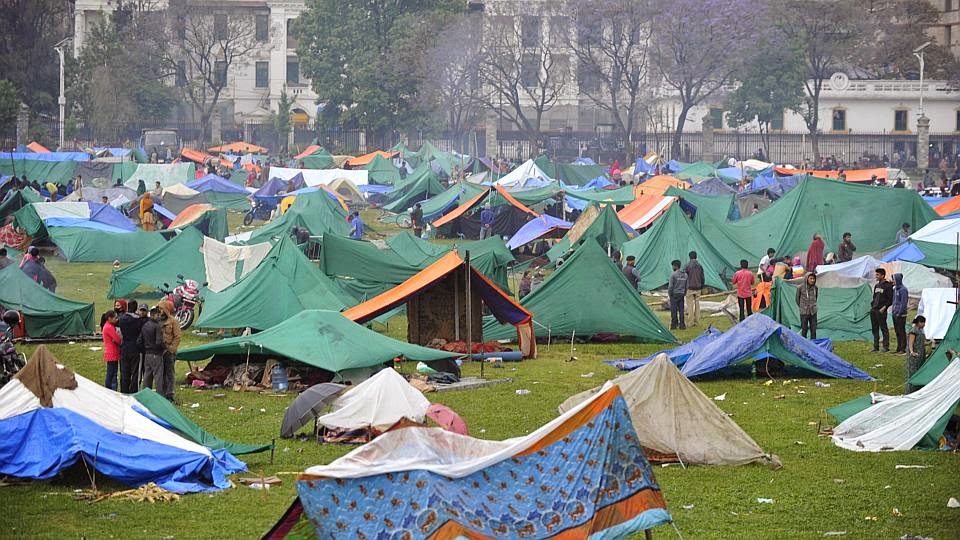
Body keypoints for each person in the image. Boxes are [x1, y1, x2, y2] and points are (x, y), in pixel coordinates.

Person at [117, 299, 145, 394]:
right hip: (135, 348)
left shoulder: (121, 319)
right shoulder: (139, 320)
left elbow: (119, 333)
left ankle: (124, 392)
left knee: (125, 371)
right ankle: (133, 392)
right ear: (136, 308)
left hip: (124, 346)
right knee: (136, 372)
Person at [157, 300, 181, 401]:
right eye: (159, 308)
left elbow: (177, 336)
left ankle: (170, 393)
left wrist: (171, 349)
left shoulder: (173, 321)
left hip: (169, 352)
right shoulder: (156, 320)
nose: (160, 310)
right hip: (159, 351)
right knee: (160, 373)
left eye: (162, 308)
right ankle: (162, 392)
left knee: (170, 373)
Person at [139, 306, 165, 393]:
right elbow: (159, 342)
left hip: (147, 354)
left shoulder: (145, 325)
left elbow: (139, 341)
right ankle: (159, 395)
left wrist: (144, 350)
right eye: (158, 315)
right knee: (158, 376)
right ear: (153, 315)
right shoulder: (157, 326)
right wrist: (164, 348)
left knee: (147, 375)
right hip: (156, 354)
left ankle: (146, 393)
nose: (159, 317)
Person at [869, 268, 893, 352]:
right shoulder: (876, 285)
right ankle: (876, 347)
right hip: (874, 310)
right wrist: (872, 306)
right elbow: (874, 297)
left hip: (881, 311)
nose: (876, 276)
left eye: (877, 275)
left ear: (883, 276)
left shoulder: (888, 286)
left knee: (883, 328)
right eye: (876, 274)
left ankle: (886, 347)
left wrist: (884, 307)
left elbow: (890, 300)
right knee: (875, 329)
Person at [906, 316, 927, 393]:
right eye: (922, 322)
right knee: (913, 372)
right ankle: (911, 390)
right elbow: (910, 343)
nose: (924, 324)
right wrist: (912, 352)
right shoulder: (913, 331)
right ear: (918, 322)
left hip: (921, 355)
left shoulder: (921, 331)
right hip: (914, 356)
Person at [101, 310, 121, 391]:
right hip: (112, 353)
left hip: (111, 353)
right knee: (112, 374)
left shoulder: (108, 325)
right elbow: (118, 340)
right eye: (115, 318)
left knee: (111, 373)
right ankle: (110, 390)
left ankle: (110, 389)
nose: (117, 319)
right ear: (109, 318)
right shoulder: (109, 327)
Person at [684, 251, 704, 327]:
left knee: (690, 306)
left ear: (689, 257)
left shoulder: (687, 266)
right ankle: (698, 322)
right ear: (696, 257)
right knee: (697, 305)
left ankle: (690, 322)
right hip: (698, 287)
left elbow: (685, 277)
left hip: (690, 288)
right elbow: (702, 277)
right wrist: (702, 285)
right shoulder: (700, 266)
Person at [796, 272, 818, 339]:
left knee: (813, 330)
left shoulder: (815, 288)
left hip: (813, 312)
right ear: (806, 279)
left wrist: (813, 306)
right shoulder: (800, 288)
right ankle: (804, 345)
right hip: (804, 312)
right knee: (804, 330)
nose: (812, 280)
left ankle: (813, 344)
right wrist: (802, 307)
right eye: (810, 278)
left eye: (813, 279)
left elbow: (816, 297)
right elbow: (797, 299)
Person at [891, 273, 909, 354]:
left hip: (901, 314)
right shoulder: (895, 289)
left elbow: (903, 302)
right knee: (897, 331)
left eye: (894, 279)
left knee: (901, 331)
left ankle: (903, 348)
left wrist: (899, 312)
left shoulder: (903, 290)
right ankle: (898, 348)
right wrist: (893, 311)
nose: (893, 281)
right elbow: (894, 300)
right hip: (894, 313)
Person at [668, 260, 687, 330]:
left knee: (674, 310)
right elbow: (686, 286)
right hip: (681, 294)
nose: (672, 267)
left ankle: (674, 325)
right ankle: (682, 325)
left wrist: (670, 294)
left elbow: (670, 286)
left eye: (673, 266)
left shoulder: (673, 275)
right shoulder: (685, 275)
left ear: (675, 266)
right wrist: (684, 293)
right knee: (681, 310)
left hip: (674, 294)